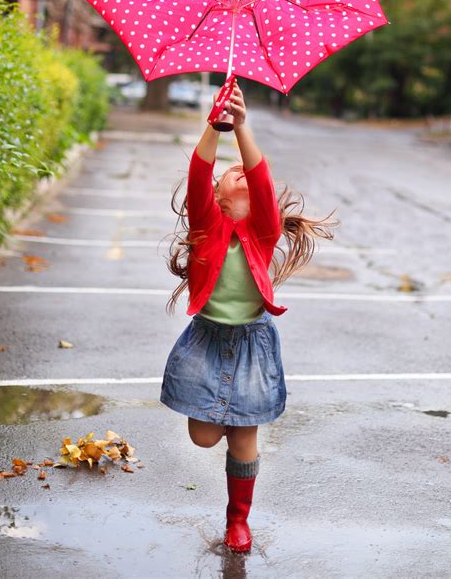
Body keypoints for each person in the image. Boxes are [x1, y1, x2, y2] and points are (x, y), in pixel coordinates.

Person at [160, 81, 339, 553]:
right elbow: (199, 173)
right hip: (206, 339)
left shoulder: (263, 232)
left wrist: (242, 128)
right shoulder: (206, 226)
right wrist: (214, 127)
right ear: (218, 198)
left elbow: (260, 176)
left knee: (244, 437)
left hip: (254, 343)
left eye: (245, 172)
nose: (239, 170)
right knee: (202, 437)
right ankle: (223, 419)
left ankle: (237, 521)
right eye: (230, 173)